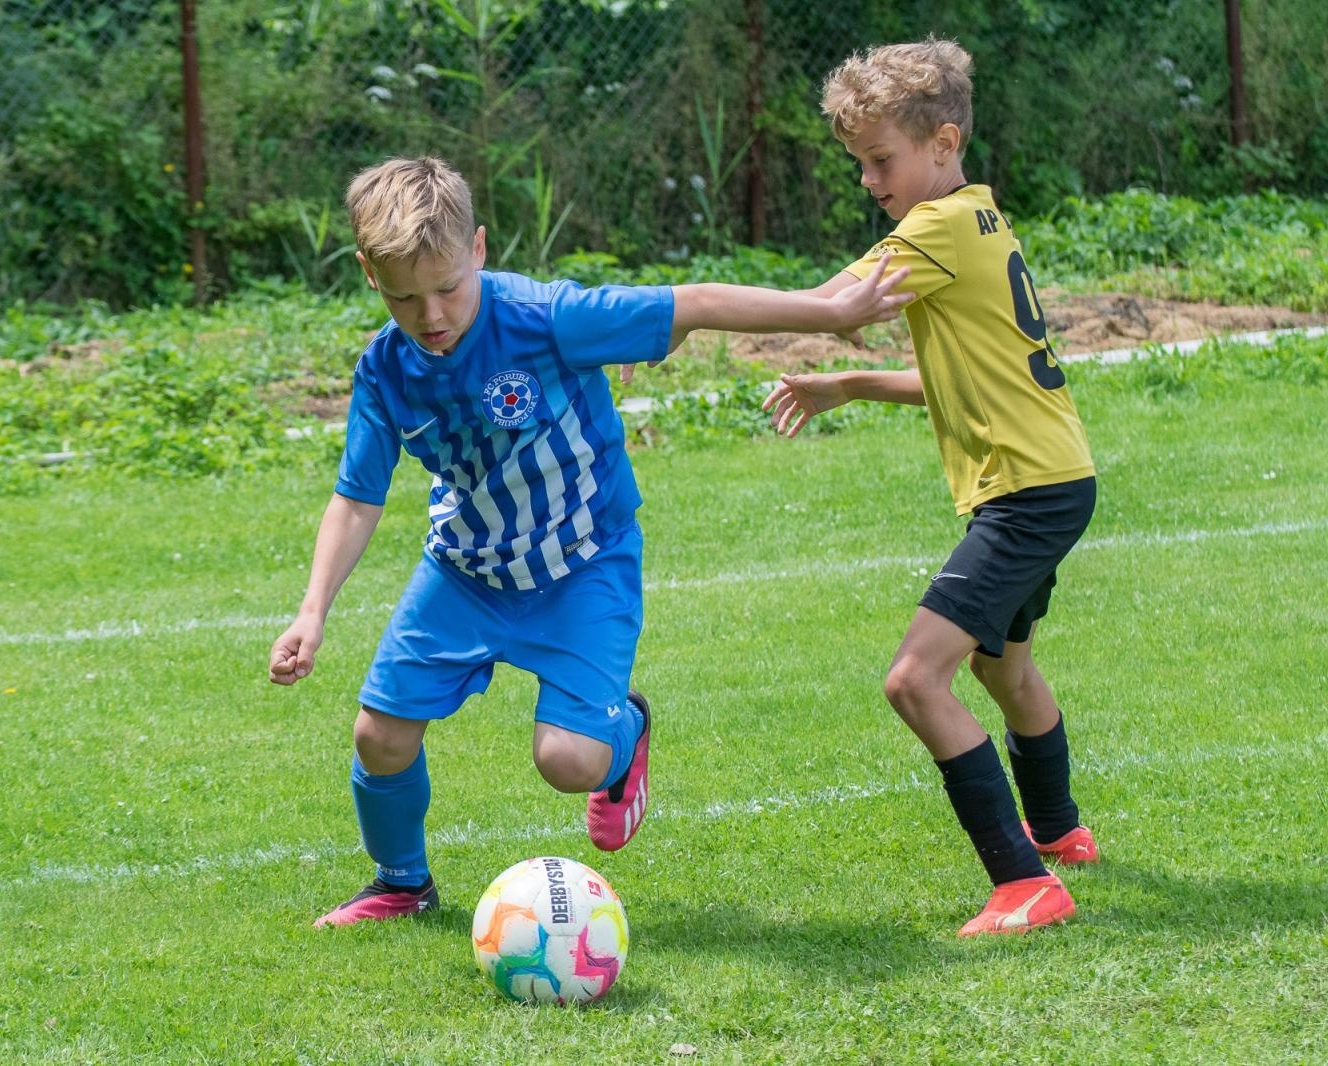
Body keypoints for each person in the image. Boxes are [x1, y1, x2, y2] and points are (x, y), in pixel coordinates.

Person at [271, 156, 912, 928]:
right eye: (405, 297)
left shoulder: (545, 318)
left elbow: (696, 301)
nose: (431, 314)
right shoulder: (384, 370)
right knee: (379, 735)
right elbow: (356, 499)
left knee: (567, 761)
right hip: (466, 572)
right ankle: (402, 884)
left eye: (448, 288)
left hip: (583, 565)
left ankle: (625, 729)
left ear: (479, 249)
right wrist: (313, 611)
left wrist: (827, 312)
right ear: (369, 274)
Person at [763, 39, 1099, 936]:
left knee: (915, 681)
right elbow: (965, 377)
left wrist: (678, 317)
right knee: (1003, 666)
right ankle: (1060, 833)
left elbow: (830, 304)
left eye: (882, 159)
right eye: (861, 162)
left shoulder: (936, 227)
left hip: (1025, 493)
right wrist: (850, 385)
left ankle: (1025, 884)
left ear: (943, 143)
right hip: (1054, 477)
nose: (868, 180)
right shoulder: (980, 216)